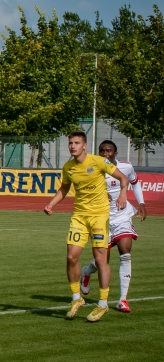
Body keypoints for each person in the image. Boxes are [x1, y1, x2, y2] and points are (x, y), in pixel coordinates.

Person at [44, 131, 128, 322]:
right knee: (71, 257)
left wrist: (122, 195)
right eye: (70, 143)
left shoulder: (98, 161)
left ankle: (103, 304)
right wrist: (51, 204)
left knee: (100, 259)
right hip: (79, 217)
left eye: (76, 143)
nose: (72, 146)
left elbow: (123, 178)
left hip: (99, 216)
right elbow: (64, 188)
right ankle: (76, 298)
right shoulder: (68, 167)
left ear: (84, 146)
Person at [80, 140, 147, 312]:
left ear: (115, 153)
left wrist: (141, 203)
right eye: (102, 151)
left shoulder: (126, 167)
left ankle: (122, 300)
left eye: (108, 151)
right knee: (102, 261)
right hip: (101, 218)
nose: (105, 154)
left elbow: (134, 182)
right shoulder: (91, 168)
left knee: (125, 252)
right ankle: (86, 272)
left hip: (122, 216)